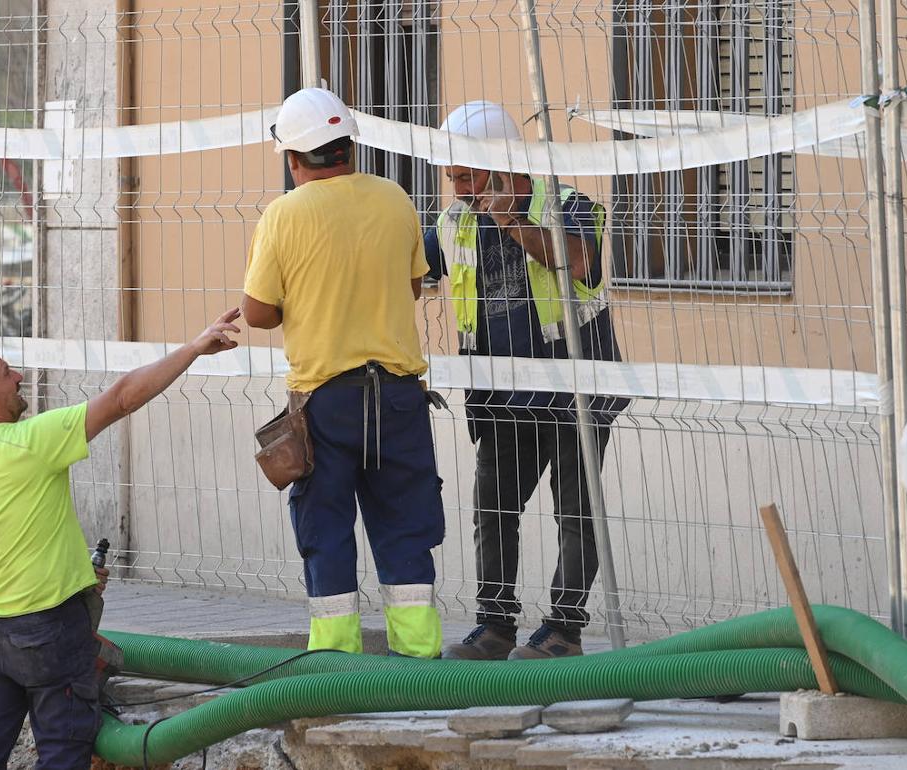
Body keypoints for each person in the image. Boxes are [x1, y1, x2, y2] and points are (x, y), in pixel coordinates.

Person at [0, 308, 241, 769]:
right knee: (63, 755)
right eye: (5, 374)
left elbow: (11, 542)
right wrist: (195, 348)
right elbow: (121, 398)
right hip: (47, 637)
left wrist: (77, 574)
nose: (19, 375)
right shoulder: (30, 442)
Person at [241, 87, 445, 658]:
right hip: (400, 397)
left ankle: (335, 663)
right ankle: (420, 661)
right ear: (347, 147)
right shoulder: (396, 199)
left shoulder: (283, 216)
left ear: (293, 157)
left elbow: (258, 313)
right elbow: (411, 286)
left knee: (326, 528)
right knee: (406, 525)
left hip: (326, 402)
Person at [426, 101, 628, 660]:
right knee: (492, 513)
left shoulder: (569, 204)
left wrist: (511, 220)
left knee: (576, 513)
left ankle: (563, 631)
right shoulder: (455, 221)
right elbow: (410, 270)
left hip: (574, 392)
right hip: (499, 396)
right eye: (452, 177)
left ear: (499, 160)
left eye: (466, 175)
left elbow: (579, 260)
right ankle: (494, 628)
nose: (458, 187)